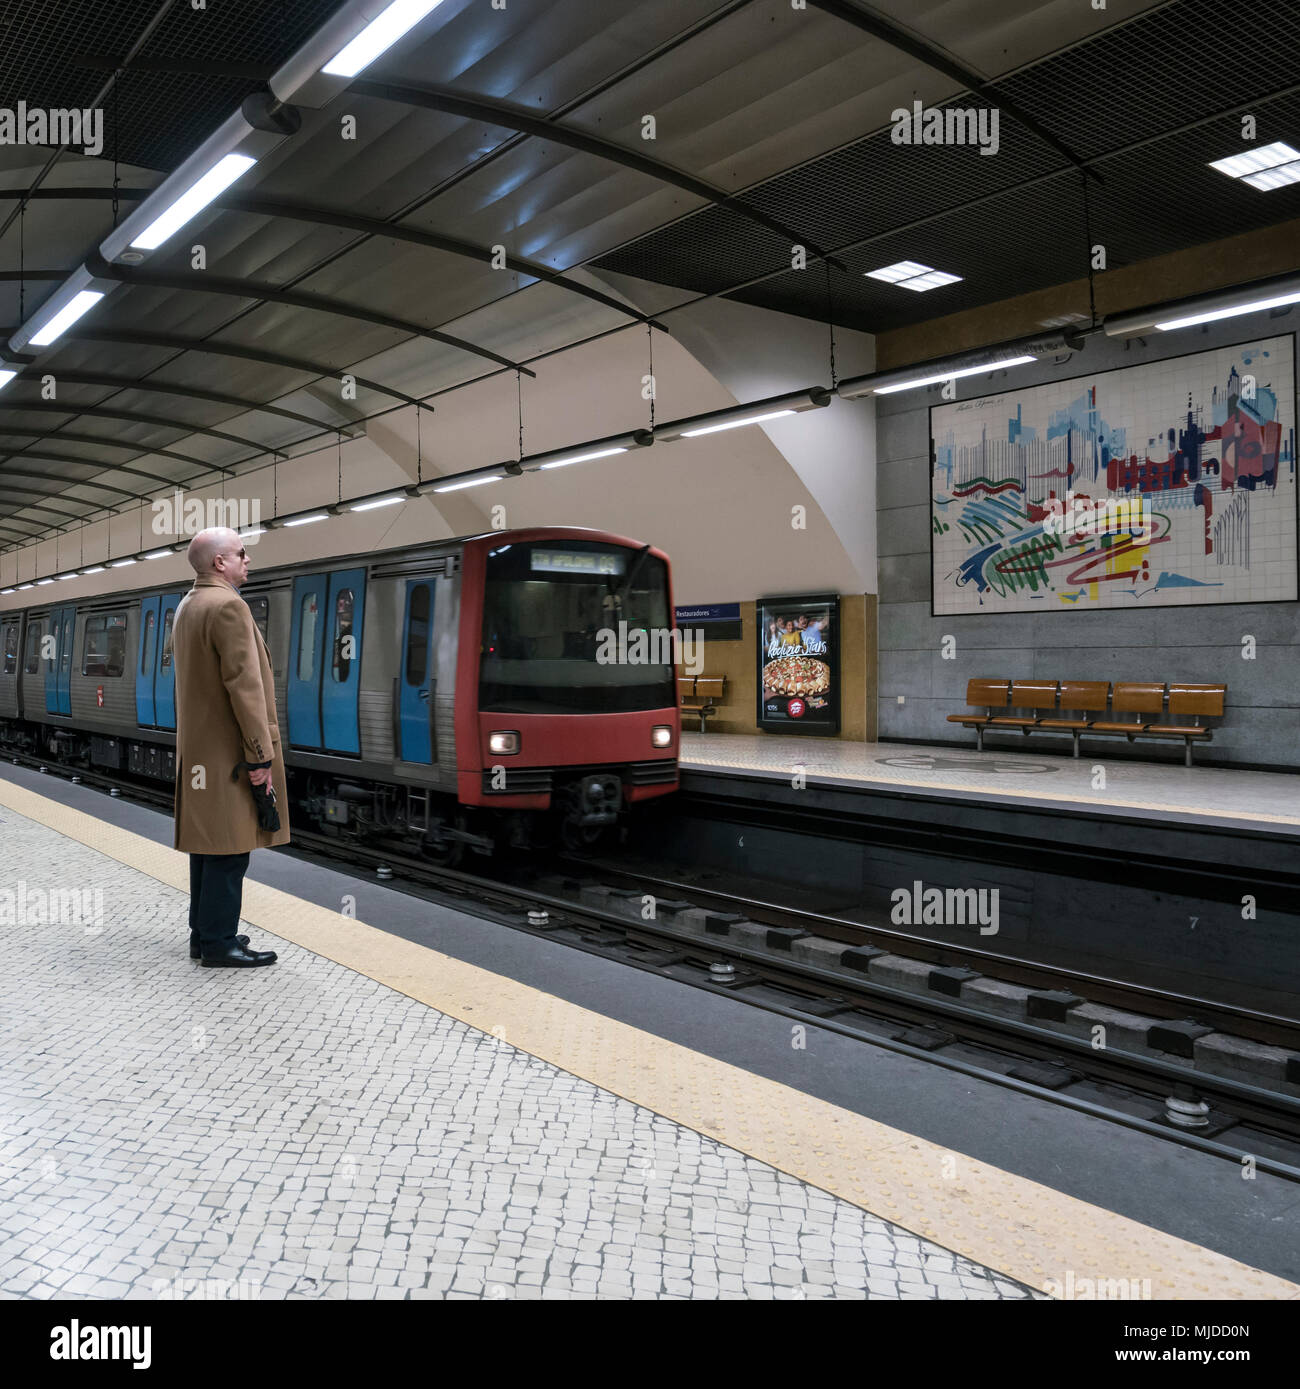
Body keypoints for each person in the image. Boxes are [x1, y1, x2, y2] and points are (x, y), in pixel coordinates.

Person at [172, 527, 290, 967]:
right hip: (229, 754)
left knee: (208, 846)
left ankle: (204, 936)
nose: (248, 561)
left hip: (200, 751)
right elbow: (244, 688)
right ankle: (220, 945)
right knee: (230, 849)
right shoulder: (228, 607)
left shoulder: (188, 605)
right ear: (220, 563)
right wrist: (259, 756)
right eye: (242, 554)